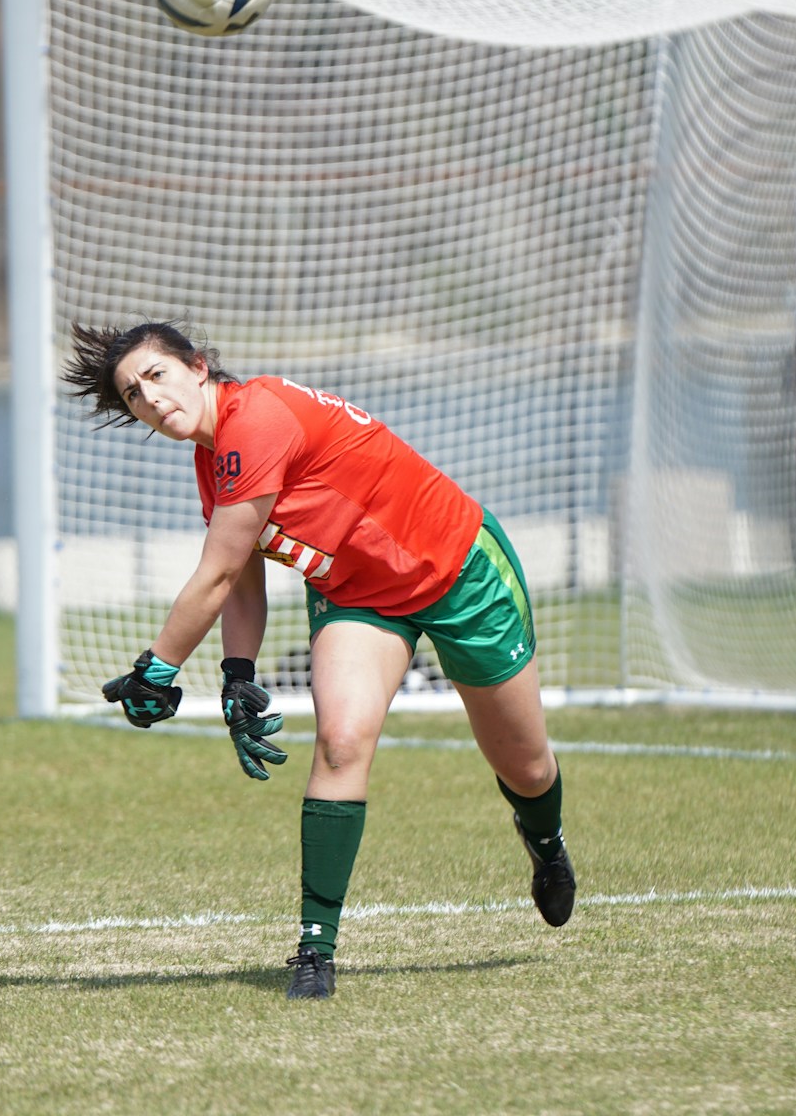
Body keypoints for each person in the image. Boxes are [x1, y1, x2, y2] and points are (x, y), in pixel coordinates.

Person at [63, 320, 574, 1001]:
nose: (149, 399)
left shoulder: (256, 420)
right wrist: (237, 676)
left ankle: (545, 844)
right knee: (339, 742)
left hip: (456, 572)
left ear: (198, 365)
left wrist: (157, 667)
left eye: (156, 376)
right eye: (132, 395)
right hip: (360, 596)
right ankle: (315, 950)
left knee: (527, 764)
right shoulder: (213, 455)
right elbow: (240, 574)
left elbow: (214, 575)